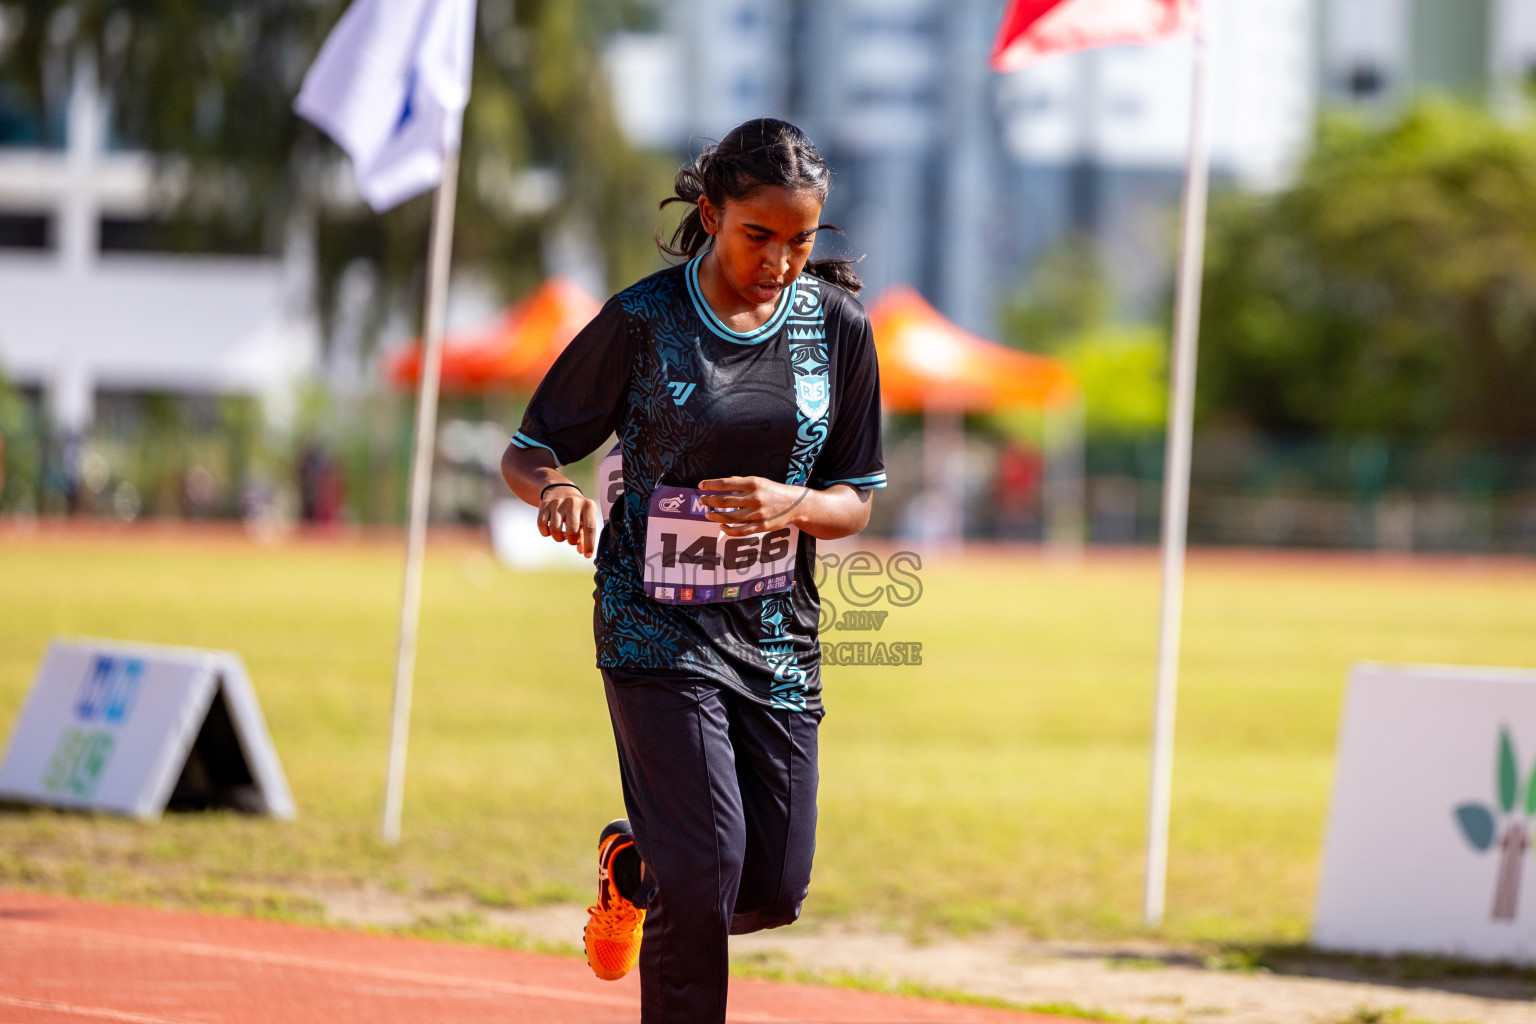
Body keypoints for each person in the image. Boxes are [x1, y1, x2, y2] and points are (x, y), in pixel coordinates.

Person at [500, 117, 885, 1023]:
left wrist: (789, 504)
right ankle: (673, 877)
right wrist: (553, 493)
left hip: (774, 631)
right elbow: (528, 450)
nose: (781, 260)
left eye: (800, 240)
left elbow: (856, 499)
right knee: (706, 872)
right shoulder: (642, 321)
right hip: (652, 621)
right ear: (710, 213)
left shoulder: (839, 330)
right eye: (760, 235)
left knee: (772, 887)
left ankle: (639, 863)